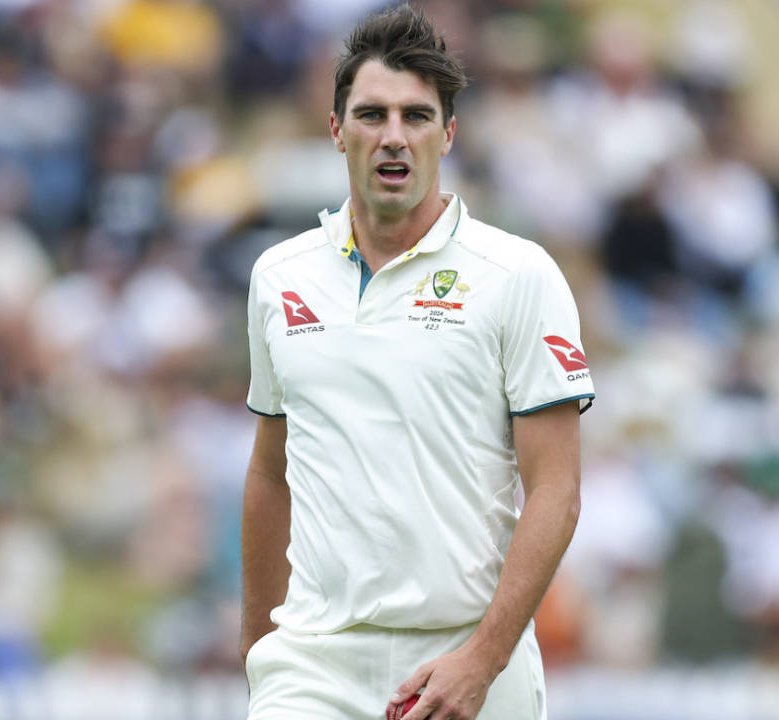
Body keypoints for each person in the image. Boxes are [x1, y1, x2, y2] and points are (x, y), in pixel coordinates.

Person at [239, 7, 595, 719]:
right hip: (314, 660)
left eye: (416, 116)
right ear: (337, 130)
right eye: (371, 114)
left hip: (467, 655)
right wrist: (259, 653)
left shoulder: (516, 274)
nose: (393, 136)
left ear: (448, 134)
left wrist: (483, 660)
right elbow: (271, 472)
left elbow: (556, 490)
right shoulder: (279, 277)